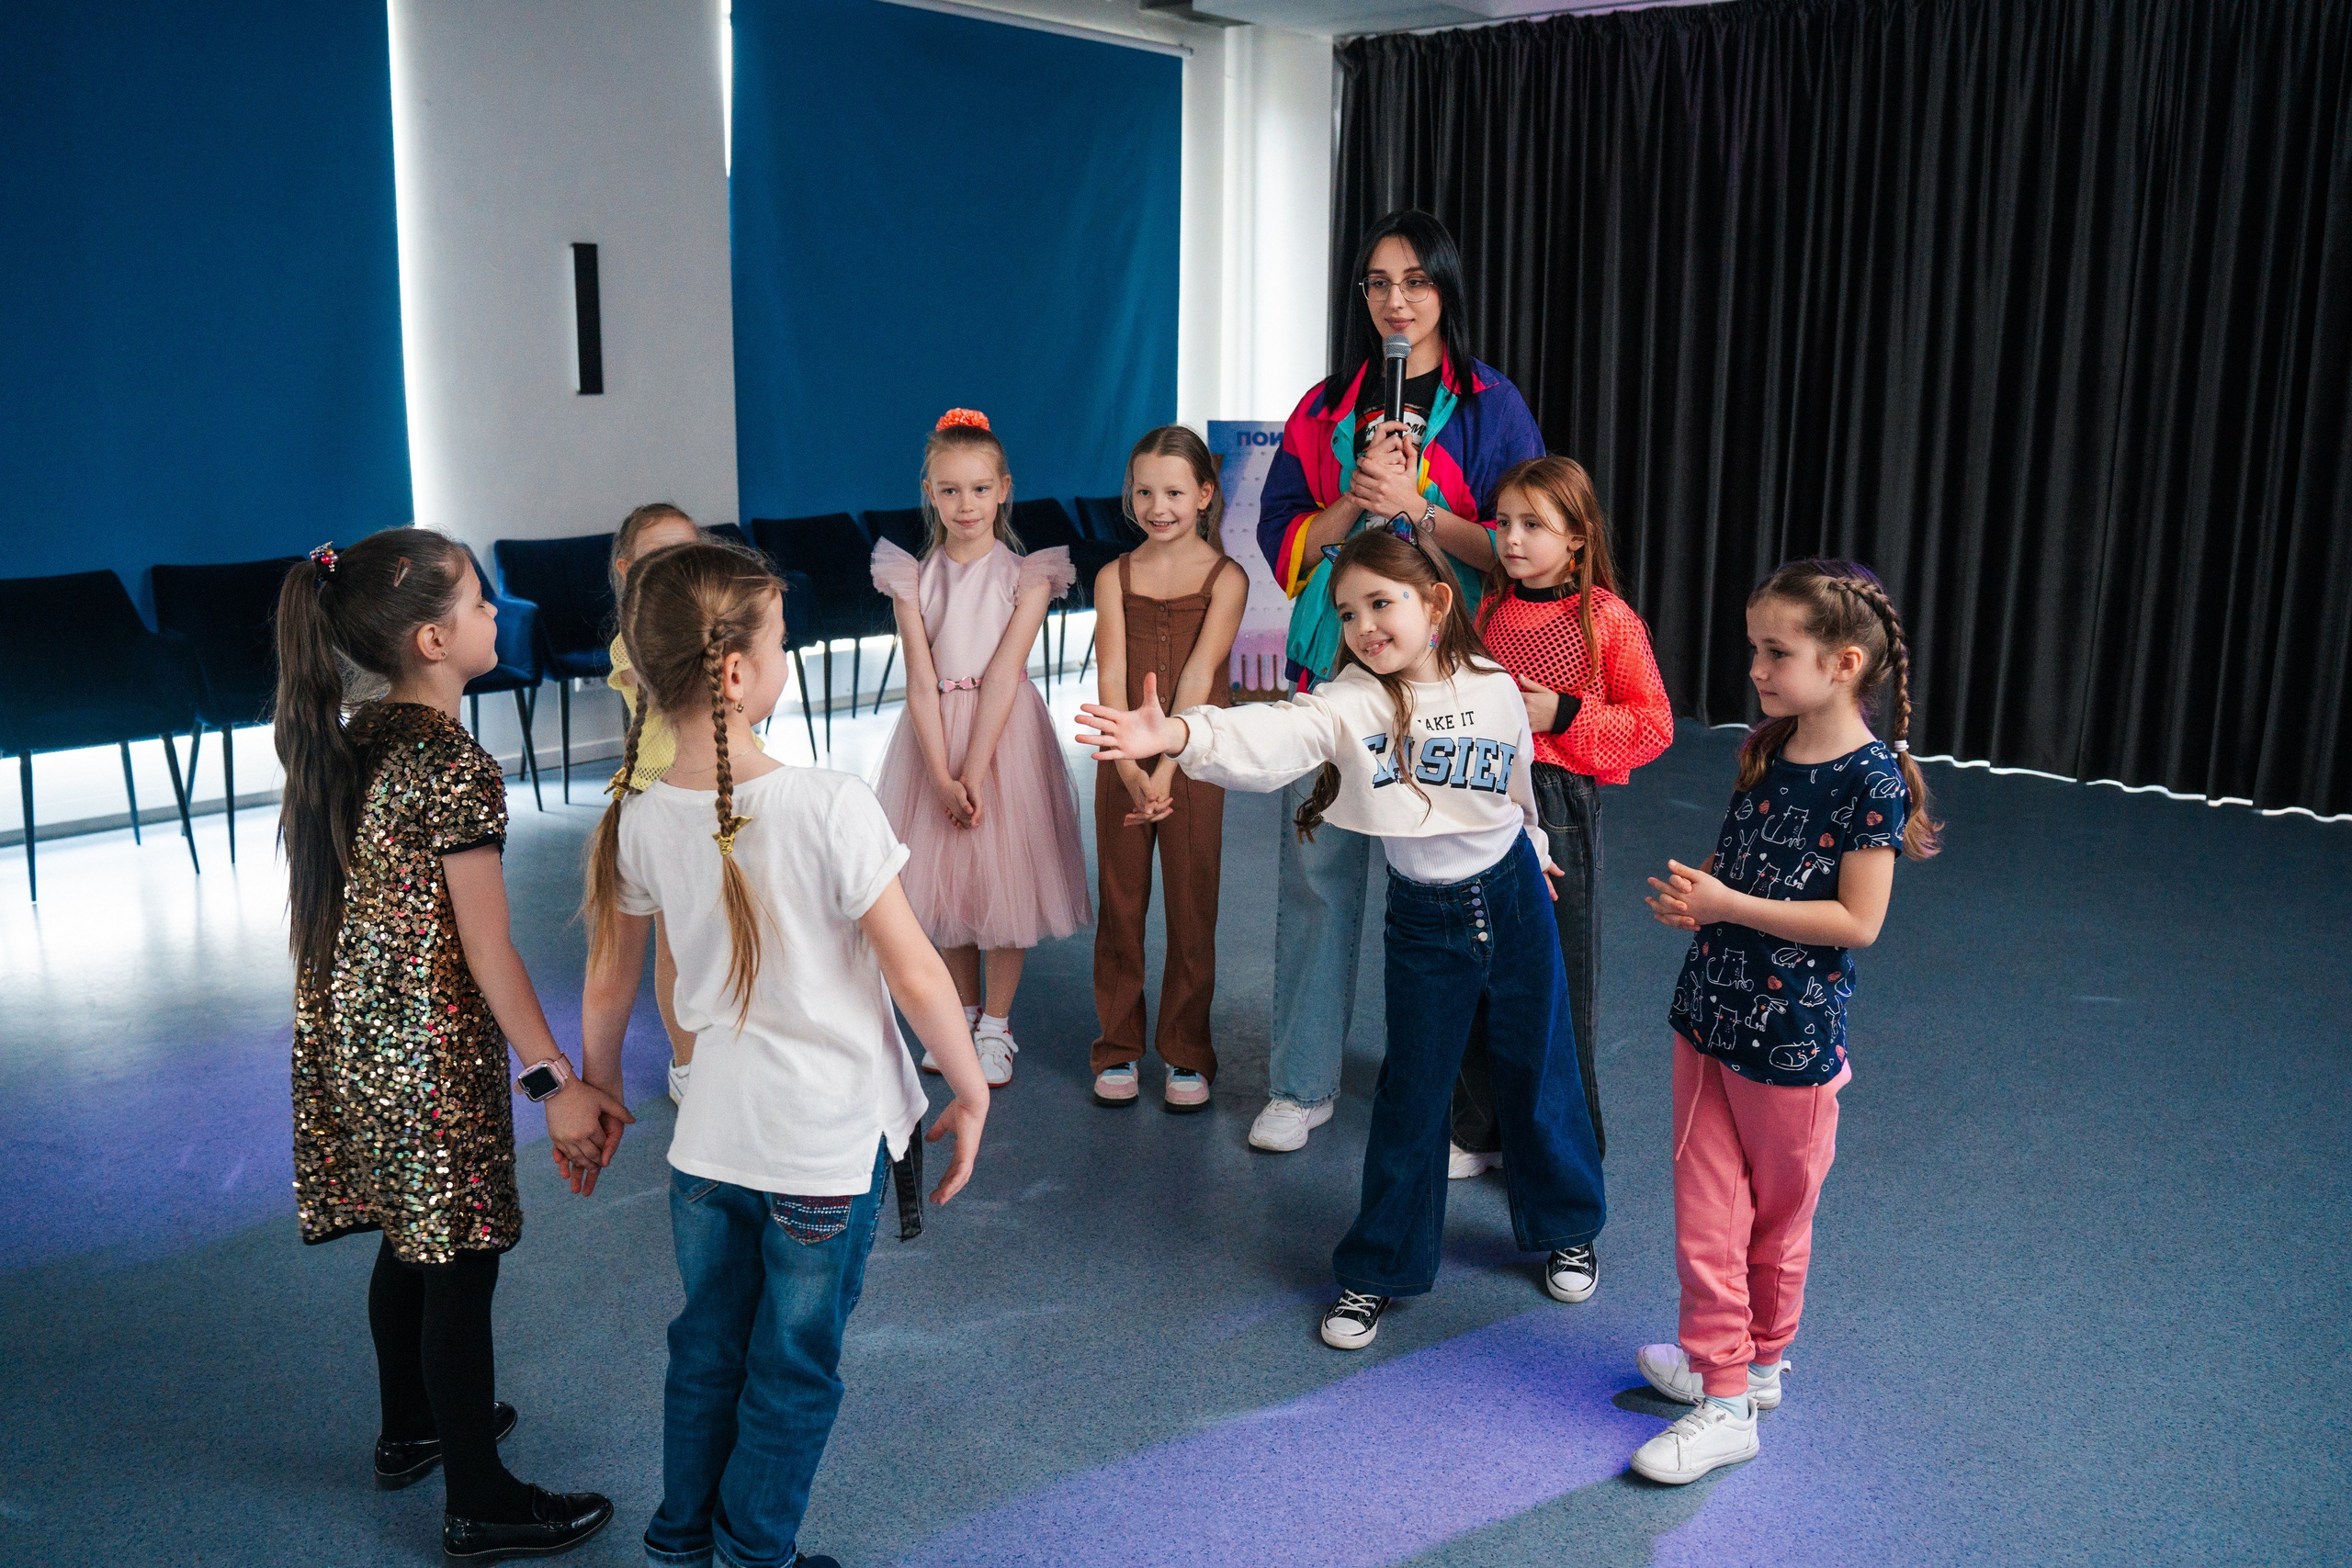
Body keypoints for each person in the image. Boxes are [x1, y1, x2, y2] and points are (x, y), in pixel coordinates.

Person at [1080, 526, 1605, 1350]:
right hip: (1426, 919)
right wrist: (1182, 735)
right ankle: (1379, 1268)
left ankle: (1566, 1224)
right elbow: (1276, 738)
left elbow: (1515, 788)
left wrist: (1534, 849)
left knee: (1539, 1067)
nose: (1364, 625)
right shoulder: (1350, 701)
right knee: (1412, 1096)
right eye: (1348, 611)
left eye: (1381, 603)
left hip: (1512, 896)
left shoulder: (1498, 683)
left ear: (1435, 603)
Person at [577, 540, 990, 1568]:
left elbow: (636, 979)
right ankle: (751, 1555)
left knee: (707, 1351)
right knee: (793, 1368)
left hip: (708, 1149)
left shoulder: (636, 813)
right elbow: (918, 975)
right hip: (820, 1151)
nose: (787, 657)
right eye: (782, 642)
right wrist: (971, 1085)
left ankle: (682, 1545)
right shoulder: (827, 802)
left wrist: (605, 1087)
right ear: (735, 673)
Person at [273, 530, 629, 1563]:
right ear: (433, 639)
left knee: (409, 1236)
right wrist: (554, 1080)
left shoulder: (351, 733)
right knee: (461, 1261)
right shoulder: (451, 764)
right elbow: (490, 949)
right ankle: (479, 1497)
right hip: (427, 1055)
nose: (492, 616)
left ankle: (411, 1428)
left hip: (356, 1043)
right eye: (480, 603)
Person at [1630, 558, 1942, 1485]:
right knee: (1707, 1213)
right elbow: (1750, 882)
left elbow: (1859, 922)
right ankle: (1731, 1378)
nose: (1758, 669)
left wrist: (1727, 903)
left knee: (1774, 1220)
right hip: (1709, 1017)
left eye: (1778, 651)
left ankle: (1747, 1378)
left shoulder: (1872, 780)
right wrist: (1704, 909)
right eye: (1754, 649)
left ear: (1843, 663)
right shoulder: (1768, 747)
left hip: (1789, 1044)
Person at [1249, 208, 1547, 1154]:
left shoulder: (1492, 405)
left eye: (1414, 280)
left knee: (1453, 886)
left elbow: (1520, 545)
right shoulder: (1325, 408)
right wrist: (1356, 498)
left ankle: (1464, 1110)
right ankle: (1302, 1082)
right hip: (1336, 666)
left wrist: (1417, 510)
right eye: (1378, 283)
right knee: (1317, 875)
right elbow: (1283, 536)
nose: (1396, 300)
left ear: (1445, 289)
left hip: (1447, 672)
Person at [1449, 457, 1674, 1186]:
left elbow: (1653, 725)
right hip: (1486, 800)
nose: (1511, 539)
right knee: (1480, 962)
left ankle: (1563, 1149)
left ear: (1577, 536)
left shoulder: (1606, 619)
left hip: (1561, 804)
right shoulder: (1489, 609)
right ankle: (1479, 1125)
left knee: (1558, 975)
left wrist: (1566, 712)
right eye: (1504, 522)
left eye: (1533, 525)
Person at [868, 409, 1091, 1087]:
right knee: (948, 881)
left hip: (1002, 736)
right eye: (950, 490)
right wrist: (938, 773)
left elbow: (1001, 675)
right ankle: (961, 1013)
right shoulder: (912, 576)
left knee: (1006, 879)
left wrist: (973, 767)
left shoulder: (1026, 575)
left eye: (980, 488)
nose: (967, 504)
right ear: (930, 493)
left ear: (1004, 490)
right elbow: (919, 681)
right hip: (933, 735)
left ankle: (997, 1024)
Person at [1089, 426, 1248, 1112]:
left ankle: (1186, 1052)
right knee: (1121, 904)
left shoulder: (1227, 578)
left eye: (1175, 492)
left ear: (1205, 494)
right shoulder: (1113, 575)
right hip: (1121, 759)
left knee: (1191, 902)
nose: (1159, 506)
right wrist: (1131, 769)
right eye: (1145, 491)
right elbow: (1112, 675)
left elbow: (1200, 674)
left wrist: (1168, 770)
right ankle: (1117, 1045)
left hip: (1195, 758)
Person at [604, 502, 711, 1107]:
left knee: (727, 931)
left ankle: (730, 1047)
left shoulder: (713, 630)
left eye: (686, 557)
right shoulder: (632, 641)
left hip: (720, 796)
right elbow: (671, 694)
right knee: (675, 942)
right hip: (666, 805)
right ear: (628, 570)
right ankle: (687, 1060)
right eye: (660, 558)